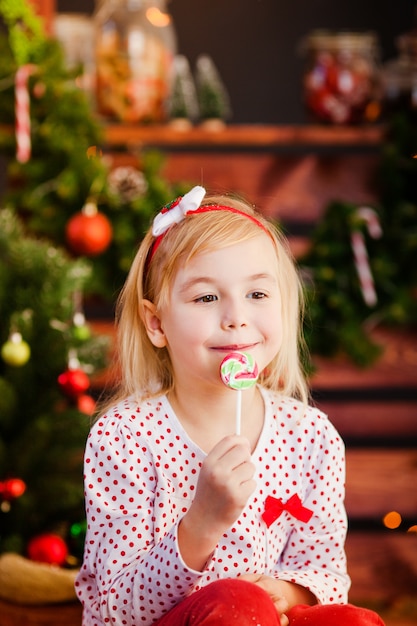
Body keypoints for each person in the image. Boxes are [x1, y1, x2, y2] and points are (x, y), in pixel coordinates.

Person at [75, 186, 385, 626]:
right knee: (237, 604)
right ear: (156, 322)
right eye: (206, 297)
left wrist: (286, 591)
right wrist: (202, 521)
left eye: (257, 295)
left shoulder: (311, 436)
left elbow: (328, 574)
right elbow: (115, 607)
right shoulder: (125, 437)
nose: (236, 317)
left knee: (353, 621)